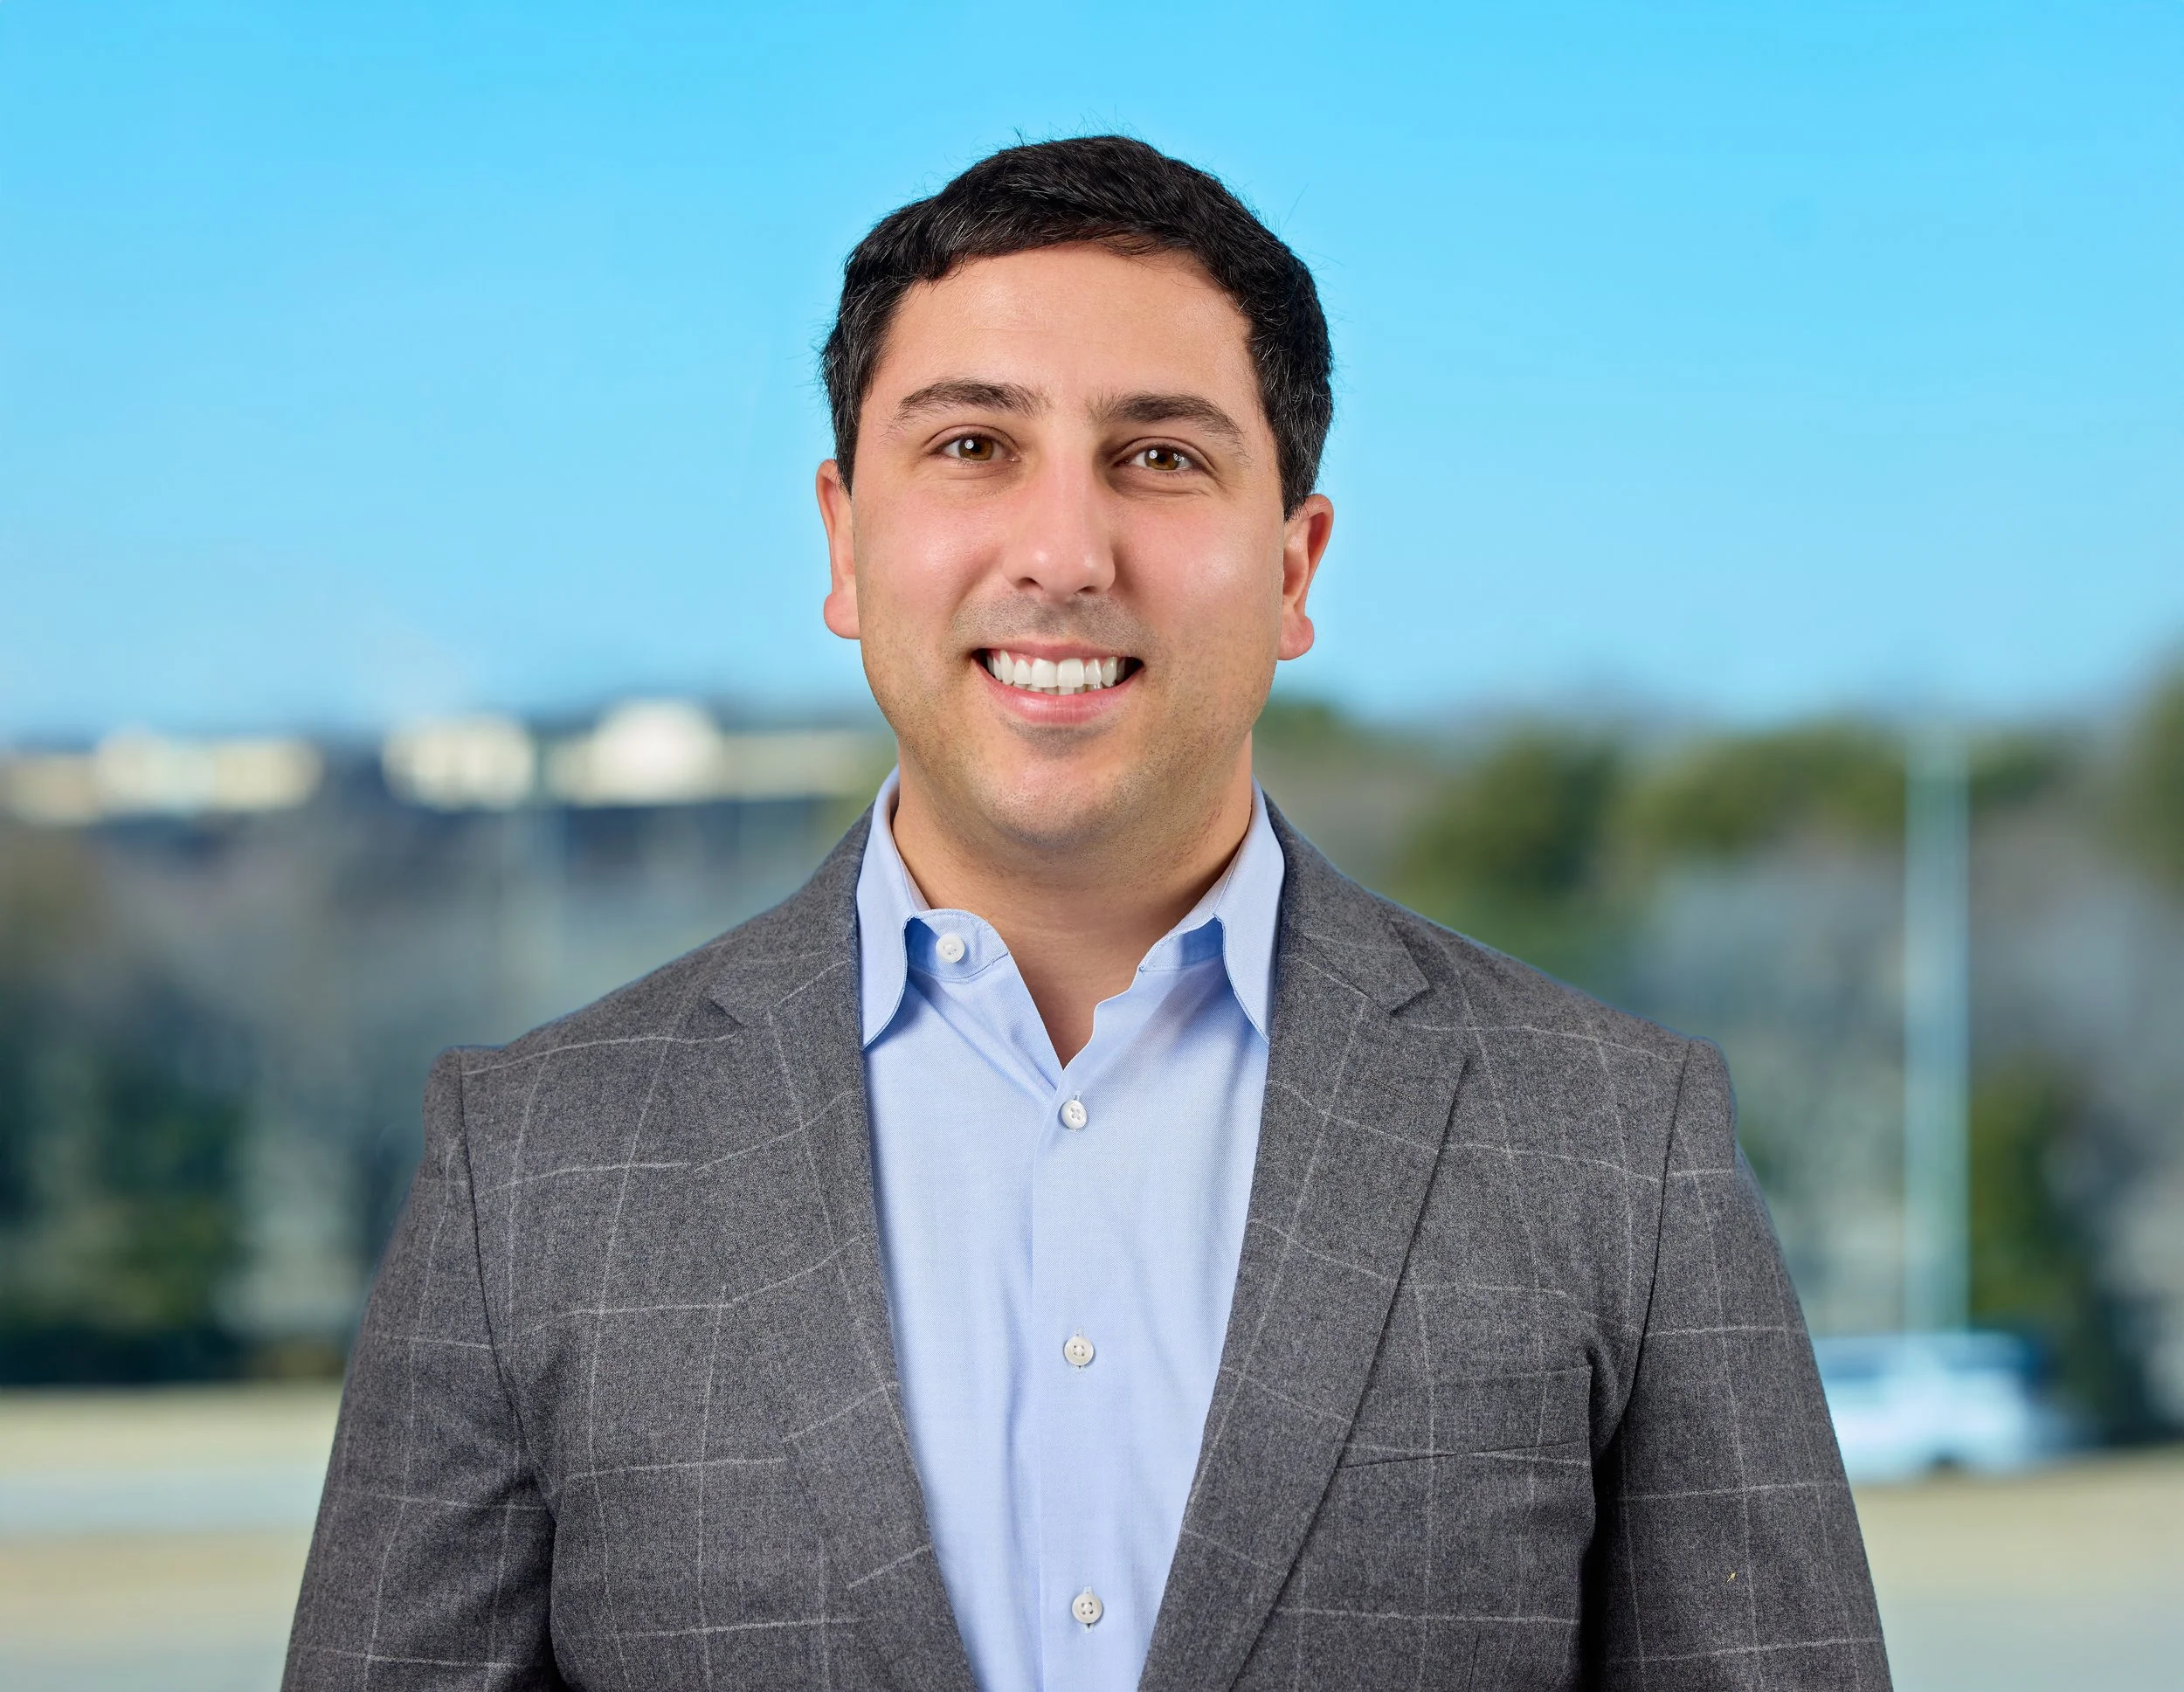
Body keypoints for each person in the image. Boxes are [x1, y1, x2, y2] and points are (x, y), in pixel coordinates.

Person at [284, 135, 1889, 1692]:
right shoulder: (532, 1165)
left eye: (1161, 457)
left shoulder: (1618, 1147)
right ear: (845, 540)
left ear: (1295, 565)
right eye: (972, 446)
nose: (1063, 552)